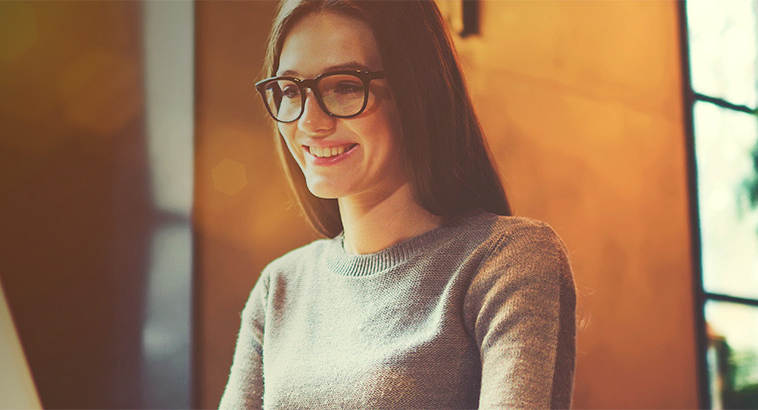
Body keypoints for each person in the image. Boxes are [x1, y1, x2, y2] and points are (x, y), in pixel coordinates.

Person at [218, 0, 577, 409]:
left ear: (417, 90)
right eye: (289, 90)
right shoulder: (279, 288)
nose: (309, 122)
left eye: (345, 86)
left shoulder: (506, 260)